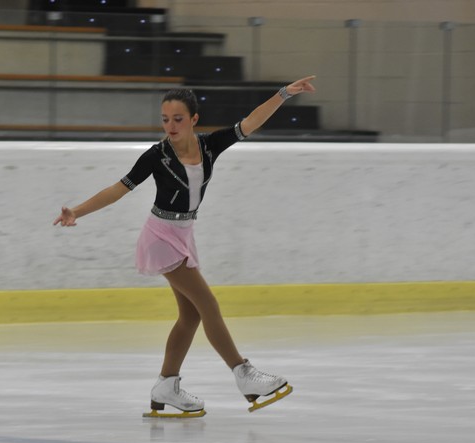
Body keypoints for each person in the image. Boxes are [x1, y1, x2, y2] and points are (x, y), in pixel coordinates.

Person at [53, 76, 316, 417]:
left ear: (193, 119)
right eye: (165, 119)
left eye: (178, 119)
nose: (170, 126)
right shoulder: (157, 155)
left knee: (190, 315)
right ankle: (244, 373)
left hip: (184, 233)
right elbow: (119, 188)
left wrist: (283, 94)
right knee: (207, 303)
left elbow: (250, 122)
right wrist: (77, 211)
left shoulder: (209, 146)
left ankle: (166, 385)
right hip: (161, 236)